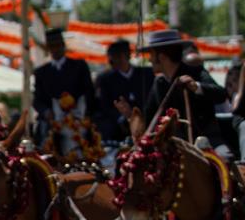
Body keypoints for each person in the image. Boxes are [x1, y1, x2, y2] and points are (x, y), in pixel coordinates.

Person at [140, 29, 231, 157]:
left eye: (151, 55)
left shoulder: (197, 72)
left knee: (225, 159)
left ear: (161, 57)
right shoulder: (159, 83)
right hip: (173, 145)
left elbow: (221, 94)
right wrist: (130, 116)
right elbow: (149, 117)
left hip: (207, 141)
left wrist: (196, 87)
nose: (149, 60)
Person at [34, 28, 96, 155]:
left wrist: (79, 110)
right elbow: (37, 100)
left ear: (63, 46)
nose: (55, 49)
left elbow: (89, 91)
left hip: (77, 115)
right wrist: (47, 112)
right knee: (43, 135)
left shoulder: (79, 66)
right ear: (48, 48)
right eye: (52, 46)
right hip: (53, 119)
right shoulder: (41, 72)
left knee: (90, 134)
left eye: (58, 45)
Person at [93, 40, 153, 153]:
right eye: (115, 57)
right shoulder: (105, 79)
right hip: (119, 130)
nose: (119, 60)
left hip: (146, 123)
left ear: (128, 56)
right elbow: (103, 105)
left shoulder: (146, 74)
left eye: (122, 56)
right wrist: (123, 118)